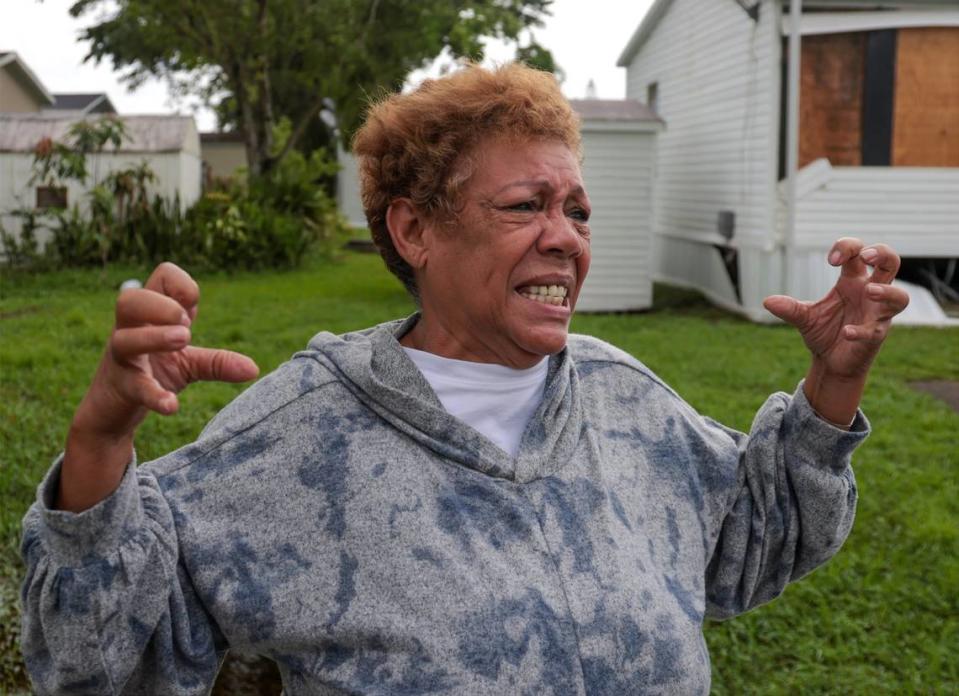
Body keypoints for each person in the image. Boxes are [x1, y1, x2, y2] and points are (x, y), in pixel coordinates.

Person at [20, 63, 909, 695]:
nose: (565, 236)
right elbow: (99, 661)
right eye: (525, 205)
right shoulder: (298, 437)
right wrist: (99, 442)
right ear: (414, 231)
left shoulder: (620, 398)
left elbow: (751, 540)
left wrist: (830, 388)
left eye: (577, 210)